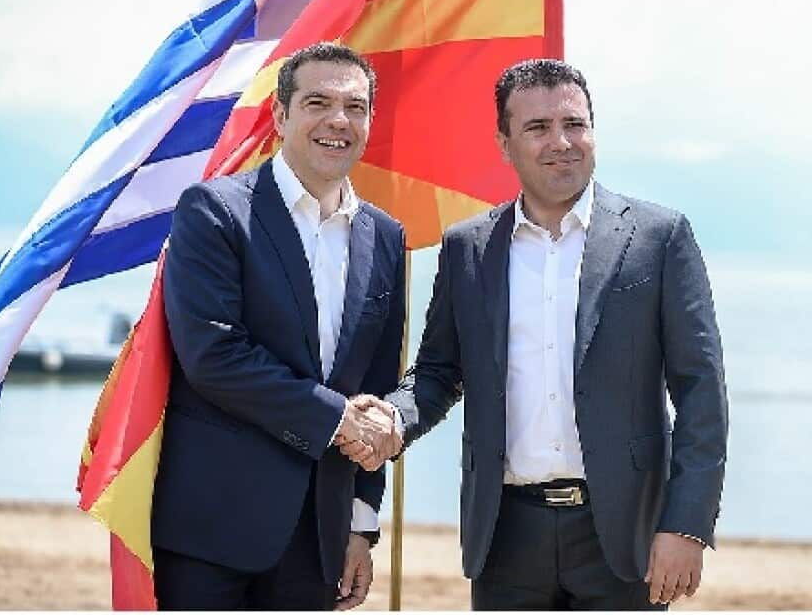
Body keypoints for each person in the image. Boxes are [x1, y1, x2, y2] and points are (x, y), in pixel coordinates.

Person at [354, 58, 729, 609]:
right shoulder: (468, 249)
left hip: (626, 535)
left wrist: (687, 525)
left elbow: (701, 391)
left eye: (574, 124)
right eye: (537, 128)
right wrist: (394, 417)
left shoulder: (658, 237)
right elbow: (438, 373)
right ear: (504, 144)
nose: (562, 141)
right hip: (505, 534)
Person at [151, 42, 405, 610]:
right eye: (318, 102)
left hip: (320, 538)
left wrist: (362, 525)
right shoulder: (214, 211)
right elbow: (214, 355)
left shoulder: (386, 236)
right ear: (281, 115)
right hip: (211, 532)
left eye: (356, 107)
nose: (338, 120)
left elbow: (377, 388)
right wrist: (336, 418)